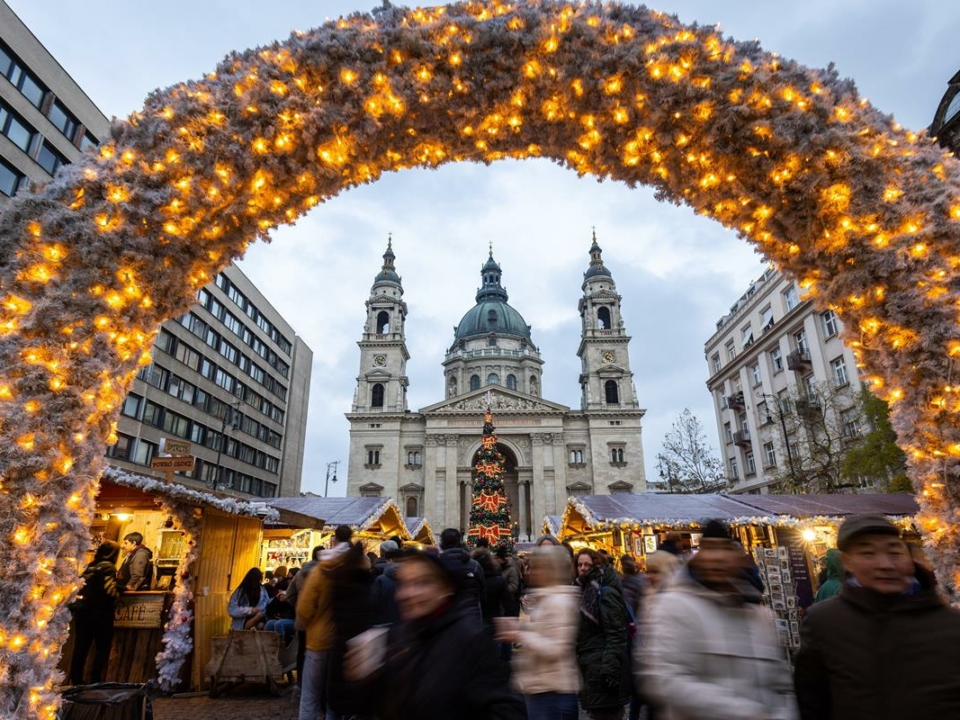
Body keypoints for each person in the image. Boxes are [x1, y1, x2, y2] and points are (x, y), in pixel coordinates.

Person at [794, 514, 960, 719]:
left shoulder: (950, 624)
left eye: (894, 552)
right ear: (847, 563)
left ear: (910, 559)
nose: (885, 564)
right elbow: (812, 703)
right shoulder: (824, 622)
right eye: (868, 553)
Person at [641, 520, 797, 720]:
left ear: (738, 558)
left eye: (725, 549)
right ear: (699, 556)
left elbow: (782, 685)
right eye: (710, 549)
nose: (718, 558)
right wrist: (747, 714)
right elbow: (665, 679)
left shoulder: (759, 616)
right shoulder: (674, 606)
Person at [369, 551, 527, 719]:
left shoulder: (471, 640)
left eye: (422, 583)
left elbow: (507, 709)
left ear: (446, 588)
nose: (408, 593)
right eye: (404, 583)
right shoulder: (399, 637)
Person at [496, 545, 580, 720]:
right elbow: (543, 633)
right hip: (540, 687)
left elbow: (555, 649)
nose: (530, 572)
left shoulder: (558, 602)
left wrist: (520, 634)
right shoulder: (544, 598)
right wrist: (519, 628)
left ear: (550, 570)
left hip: (552, 691)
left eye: (537, 567)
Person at [297, 525, 354, 720]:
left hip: (319, 640)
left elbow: (304, 608)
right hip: (345, 639)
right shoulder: (358, 567)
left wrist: (307, 624)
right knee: (334, 696)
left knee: (311, 694)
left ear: (334, 541)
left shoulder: (321, 570)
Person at [574, 548, 631, 720]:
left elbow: (616, 633)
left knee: (606, 714)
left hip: (603, 671)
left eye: (587, 564)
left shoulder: (604, 592)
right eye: (579, 564)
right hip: (591, 668)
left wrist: (610, 669)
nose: (583, 568)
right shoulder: (582, 588)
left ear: (596, 565)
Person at [69, 540, 121, 685]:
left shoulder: (90, 567)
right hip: (101, 614)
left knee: (81, 647)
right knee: (102, 647)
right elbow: (110, 590)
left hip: (83, 613)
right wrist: (120, 590)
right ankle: (96, 678)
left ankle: (76, 679)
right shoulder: (108, 567)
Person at [286, 544, 323, 690]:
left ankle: (301, 682)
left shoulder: (300, 573)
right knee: (319, 652)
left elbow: (289, 595)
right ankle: (315, 684)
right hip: (320, 619)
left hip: (303, 619)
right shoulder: (325, 573)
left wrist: (299, 606)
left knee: (302, 651)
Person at [438, 527, 485, 624]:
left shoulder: (433, 565)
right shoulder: (475, 566)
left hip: (442, 620)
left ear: (442, 544)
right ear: (459, 543)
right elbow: (482, 593)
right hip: (471, 619)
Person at [372, 540, 403, 625]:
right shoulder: (411, 577)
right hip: (403, 626)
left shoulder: (379, 577)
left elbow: (373, 604)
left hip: (381, 624)